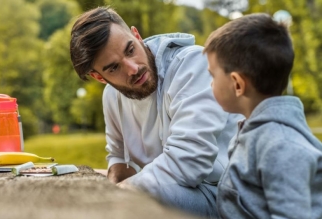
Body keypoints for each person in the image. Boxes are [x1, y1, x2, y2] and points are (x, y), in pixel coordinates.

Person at [70, 7, 241, 217]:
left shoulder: (192, 65)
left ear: (137, 35)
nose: (132, 68)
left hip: (227, 197)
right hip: (179, 192)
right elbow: (118, 157)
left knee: (130, 202)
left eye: (130, 50)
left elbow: (189, 162)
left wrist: (118, 193)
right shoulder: (111, 97)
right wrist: (116, 182)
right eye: (114, 68)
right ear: (99, 77)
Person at [203, 13, 322, 219]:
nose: (211, 84)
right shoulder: (253, 130)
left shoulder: (281, 145)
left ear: (237, 84)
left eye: (213, 75)